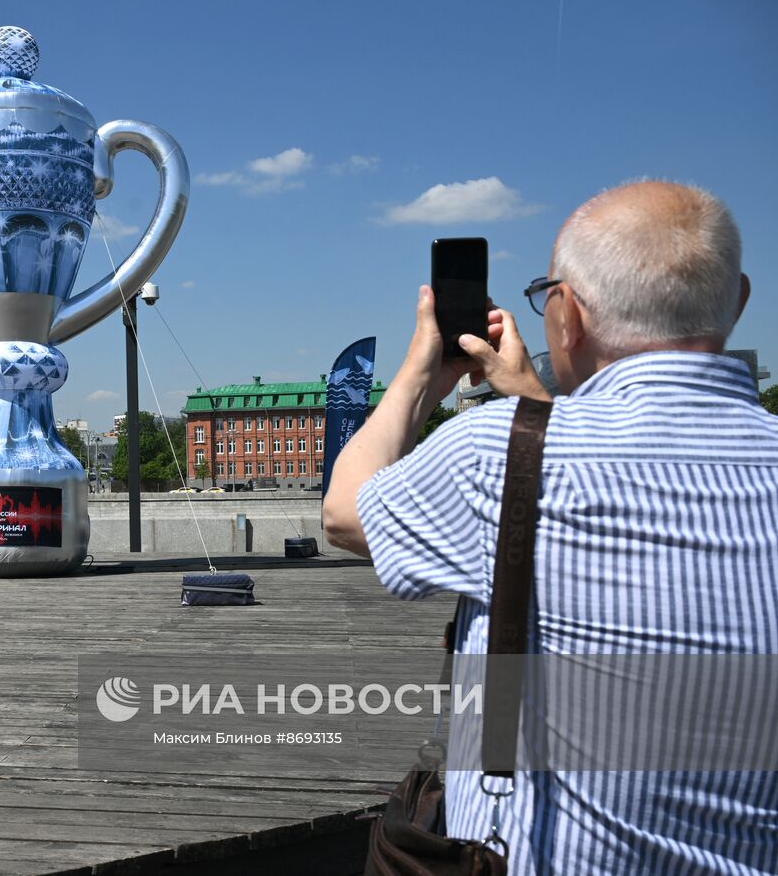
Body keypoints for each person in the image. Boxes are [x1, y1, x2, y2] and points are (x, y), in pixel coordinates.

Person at [323, 181, 777, 874]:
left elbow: (345, 511)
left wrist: (420, 374)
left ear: (566, 318)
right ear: (738, 300)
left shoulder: (496, 452)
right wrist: (536, 404)